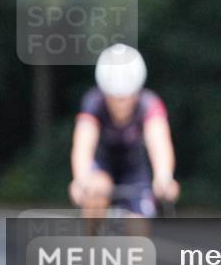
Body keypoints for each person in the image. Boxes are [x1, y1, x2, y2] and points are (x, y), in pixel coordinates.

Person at [69, 43, 179, 219]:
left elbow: (159, 143)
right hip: (102, 166)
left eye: (127, 97)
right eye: (115, 98)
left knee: (138, 225)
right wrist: (80, 179)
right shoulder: (93, 103)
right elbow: (83, 144)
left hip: (134, 170)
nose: (121, 104)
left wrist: (164, 177)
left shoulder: (149, 104)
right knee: (95, 190)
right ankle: (91, 243)